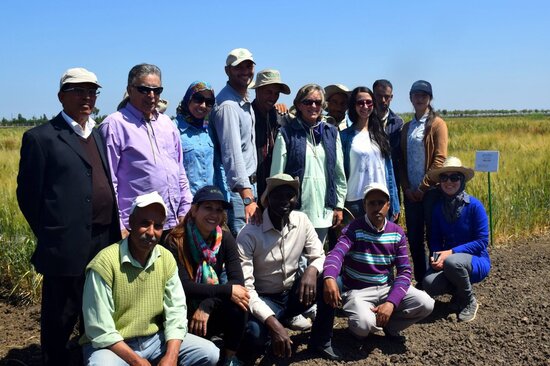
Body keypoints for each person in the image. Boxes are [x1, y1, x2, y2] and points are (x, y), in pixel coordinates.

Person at [16, 67, 121, 366]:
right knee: (60, 316)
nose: (86, 97)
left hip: (103, 240)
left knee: (98, 310)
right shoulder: (42, 138)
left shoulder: (97, 134)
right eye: (78, 91)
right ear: (62, 96)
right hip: (64, 244)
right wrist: (54, 232)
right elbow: (28, 196)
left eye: (92, 91)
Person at [81, 192, 219, 365]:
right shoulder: (105, 263)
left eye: (158, 226)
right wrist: (138, 361)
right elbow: (100, 329)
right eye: (144, 223)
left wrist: (171, 355)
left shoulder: (165, 258)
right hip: (113, 345)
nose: (151, 232)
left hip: (154, 339)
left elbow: (175, 311)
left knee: (209, 353)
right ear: (130, 223)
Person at [237, 174, 341, 361]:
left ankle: (321, 341)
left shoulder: (301, 220)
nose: (285, 201)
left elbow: (319, 255)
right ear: (267, 200)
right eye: (278, 196)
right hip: (264, 298)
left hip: (293, 293)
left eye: (290, 195)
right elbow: (247, 289)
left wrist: (311, 270)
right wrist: (273, 323)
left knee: (330, 281)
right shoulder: (249, 234)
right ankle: (271, 332)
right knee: (253, 333)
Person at [320, 183, 434, 343]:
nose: (377, 207)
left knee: (426, 303)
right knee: (363, 326)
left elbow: (405, 272)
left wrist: (391, 303)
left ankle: (390, 325)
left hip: (386, 288)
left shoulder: (397, 233)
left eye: (381, 203)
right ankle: (369, 323)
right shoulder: (354, 229)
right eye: (371, 203)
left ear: (388, 205)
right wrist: (329, 277)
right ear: (364, 205)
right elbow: (336, 254)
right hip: (358, 291)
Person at [100, 63, 193, 241]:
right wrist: (120, 224)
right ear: (129, 89)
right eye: (144, 89)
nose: (151, 96)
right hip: (136, 227)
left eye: (157, 90)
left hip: (173, 223)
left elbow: (180, 171)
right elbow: (109, 182)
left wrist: (185, 210)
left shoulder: (167, 124)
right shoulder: (114, 125)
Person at [165, 186, 248, 365]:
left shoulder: (224, 239)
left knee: (240, 303)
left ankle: (229, 358)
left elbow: (237, 282)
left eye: (219, 210)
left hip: (207, 306)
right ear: (194, 210)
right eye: (208, 207)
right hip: (182, 310)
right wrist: (223, 293)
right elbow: (184, 286)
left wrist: (207, 304)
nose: (214, 214)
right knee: (231, 294)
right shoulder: (175, 240)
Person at [270, 84, 347, 245]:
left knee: (317, 259)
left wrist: (338, 206)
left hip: (324, 212)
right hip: (295, 211)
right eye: (308, 102)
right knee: (295, 262)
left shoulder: (331, 132)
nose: (313, 106)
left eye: (318, 102)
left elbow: (339, 174)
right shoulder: (286, 133)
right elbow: (277, 176)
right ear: (298, 104)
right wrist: (278, 208)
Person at [422, 157, 491, 322]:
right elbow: (436, 239)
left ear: (462, 180)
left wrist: (451, 253)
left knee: (453, 262)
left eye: (454, 178)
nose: (449, 182)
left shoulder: (475, 206)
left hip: (476, 260)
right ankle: (458, 294)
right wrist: (437, 258)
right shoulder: (438, 209)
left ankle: (469, 300)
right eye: (444, 177)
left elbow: (482, 242)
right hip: (450, 260)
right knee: (429, 282)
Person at [400, 80, 448, 284]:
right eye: (416, 95)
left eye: (424, 95)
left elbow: (440, 158)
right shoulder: (407, 127)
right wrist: (407, 188)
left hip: (430, 192)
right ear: (411, 98)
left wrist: (422, 187)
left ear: (430, 98)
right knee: (414, 238)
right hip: (411, 193)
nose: (419, 99)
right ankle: (421, 279)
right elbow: (401, 160)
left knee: (434, 237)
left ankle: (437, 279)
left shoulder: (437, 124)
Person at [211, 48, 260, 237]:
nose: (245, 71)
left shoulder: (241, 100)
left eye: (248, 66)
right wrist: (247, 198)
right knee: (243, 247)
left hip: (247, 187)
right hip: (240, 192)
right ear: (227, 71)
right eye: (238, 67)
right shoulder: (228, 106)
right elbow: (232, 155)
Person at [340, 86, 400, 223]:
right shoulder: (344, 136)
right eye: (360, 102)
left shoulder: (381, 135)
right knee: (357, 244)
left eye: (369, 102)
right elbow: (340, 173)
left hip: (382, 199)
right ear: (353, 106)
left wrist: (394, 202)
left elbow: (389, 172)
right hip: (356, 201)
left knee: (381, 244)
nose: (365, 106)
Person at [174, 81, 226, 196]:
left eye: (209, 102)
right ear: (189, 99)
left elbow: (218, 166)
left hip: (210, 201)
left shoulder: (210, 130)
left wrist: (224, 197)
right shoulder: (173, 129)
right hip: (187, 205)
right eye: (198, 99)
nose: (203, 105)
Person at [250, 69, 291, 200]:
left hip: (274, 188)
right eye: (268, 92)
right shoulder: (247, 116)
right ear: (257, 90)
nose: (273, 97)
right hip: (252, 187)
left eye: (276, 93)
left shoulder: (281, 117)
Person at [372, 79, 404, 199]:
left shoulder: (398, 123)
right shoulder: (365, 121)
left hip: (392, 181)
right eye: (379, 96)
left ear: (391, 97)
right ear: (373, 95)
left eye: (387, 97)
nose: (383, 100)